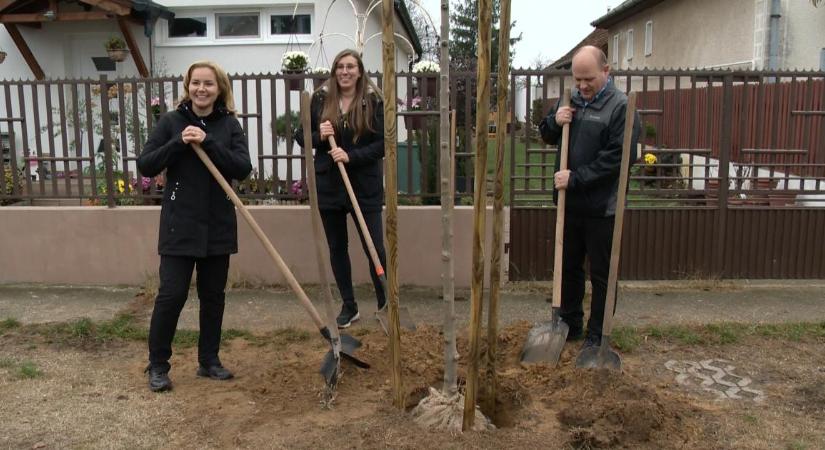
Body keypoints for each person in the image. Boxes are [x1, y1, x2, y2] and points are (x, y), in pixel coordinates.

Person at [137, 61, 252, 392]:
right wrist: (178, 143)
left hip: (218, 225)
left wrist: (209, 142)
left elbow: (243, 168)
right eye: (196, 83)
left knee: (213, 296)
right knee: (171, 295)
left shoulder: (229, 126)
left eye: (209, 84)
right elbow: (146, 164)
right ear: (187, 87)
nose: (202, 89)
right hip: (180, 225)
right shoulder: (172, 121)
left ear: (220, 89)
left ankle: (209, 361)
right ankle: (158, 365)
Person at [539, 45, 640, 349]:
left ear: (606, 72)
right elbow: (545, 134)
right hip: (569, 207)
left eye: (589, 79)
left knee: (601, 275)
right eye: (577, 79)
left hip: (602, 208)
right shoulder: (570, 99)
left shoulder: (620, 106)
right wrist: (554, 122)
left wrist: (576, 178)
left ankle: (598, 334)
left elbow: (618, 159)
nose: (582, 86)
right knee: (568, 268)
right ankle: (571, 324)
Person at [296, 49, 386, 329]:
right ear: (335, 71)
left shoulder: (373, 102)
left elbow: (383, 144)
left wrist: (351, 156)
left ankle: (385, 302)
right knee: (338, 248)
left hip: (363, 187)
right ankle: (349, 306)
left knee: (375, 248)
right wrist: (319, 137)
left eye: (351, 67)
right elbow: (301, 137)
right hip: (330, 187)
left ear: (360, 71)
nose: (345, 71)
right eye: (340, 67)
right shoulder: (321, 101)